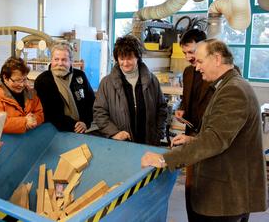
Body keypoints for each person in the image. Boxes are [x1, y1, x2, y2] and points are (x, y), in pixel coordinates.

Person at [141, 39, 268, 222]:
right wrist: (192, 140)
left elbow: (214, 140)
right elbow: (225, 135)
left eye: (200, 61)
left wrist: (164, 159)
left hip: (225, 197)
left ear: (217, 58)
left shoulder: (233, 90)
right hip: (227, 192)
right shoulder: (227, 85)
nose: (197, 67)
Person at [93, 35, 167, 145]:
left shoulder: (152, 80)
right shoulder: (106, 83)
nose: (125, 63)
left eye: (129, 58)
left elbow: (162, 108)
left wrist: (158, 133)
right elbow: (99, 112)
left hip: (149, 142)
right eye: (122, 59)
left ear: (138, 57)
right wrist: (114, 133)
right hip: (120, 144)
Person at [175, 29, 214, 221]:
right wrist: (182, 109)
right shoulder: (188, 72)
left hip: (210, 140)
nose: (189, 58)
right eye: (185, 53)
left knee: (209, 189)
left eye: (191, 52)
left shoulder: (220, 74)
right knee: (191, 189)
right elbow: (186, 98)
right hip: (191, 137)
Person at [34, 42, 95, 133]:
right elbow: (50, 113)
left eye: (64, 60)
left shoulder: (80, 76)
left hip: (85, 127)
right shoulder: (43, 81)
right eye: (56, 59)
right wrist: (75, 125)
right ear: (51, 60)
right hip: (58, 131)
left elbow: (91, 102)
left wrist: (85, 122)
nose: (60, 63)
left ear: (71, 61)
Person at [0, 56, 44, 133]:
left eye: (24, 79)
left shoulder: (29, 91)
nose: (22, 84)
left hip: (26, 139)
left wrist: (34, 119)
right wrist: (24, 122)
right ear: (5, 78)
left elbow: (40, 113)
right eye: (17, 80)